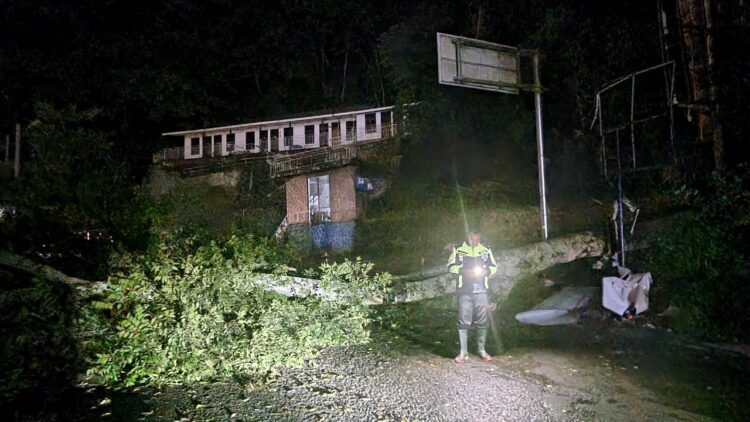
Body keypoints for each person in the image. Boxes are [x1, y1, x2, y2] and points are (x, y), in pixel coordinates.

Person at [447, 230, 498, 363]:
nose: (473, 241)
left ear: (480, 237)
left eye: (476, 239)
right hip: (464, 290)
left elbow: (494, 267)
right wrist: (464, 271)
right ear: (467, 236)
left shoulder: (486, 250)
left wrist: (486, 271)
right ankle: (463, 352)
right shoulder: (458, 249)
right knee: (464, 320)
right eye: (471, 238)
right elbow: (451, 266)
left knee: (482, 320)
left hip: (482, 290)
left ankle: (481, 349)